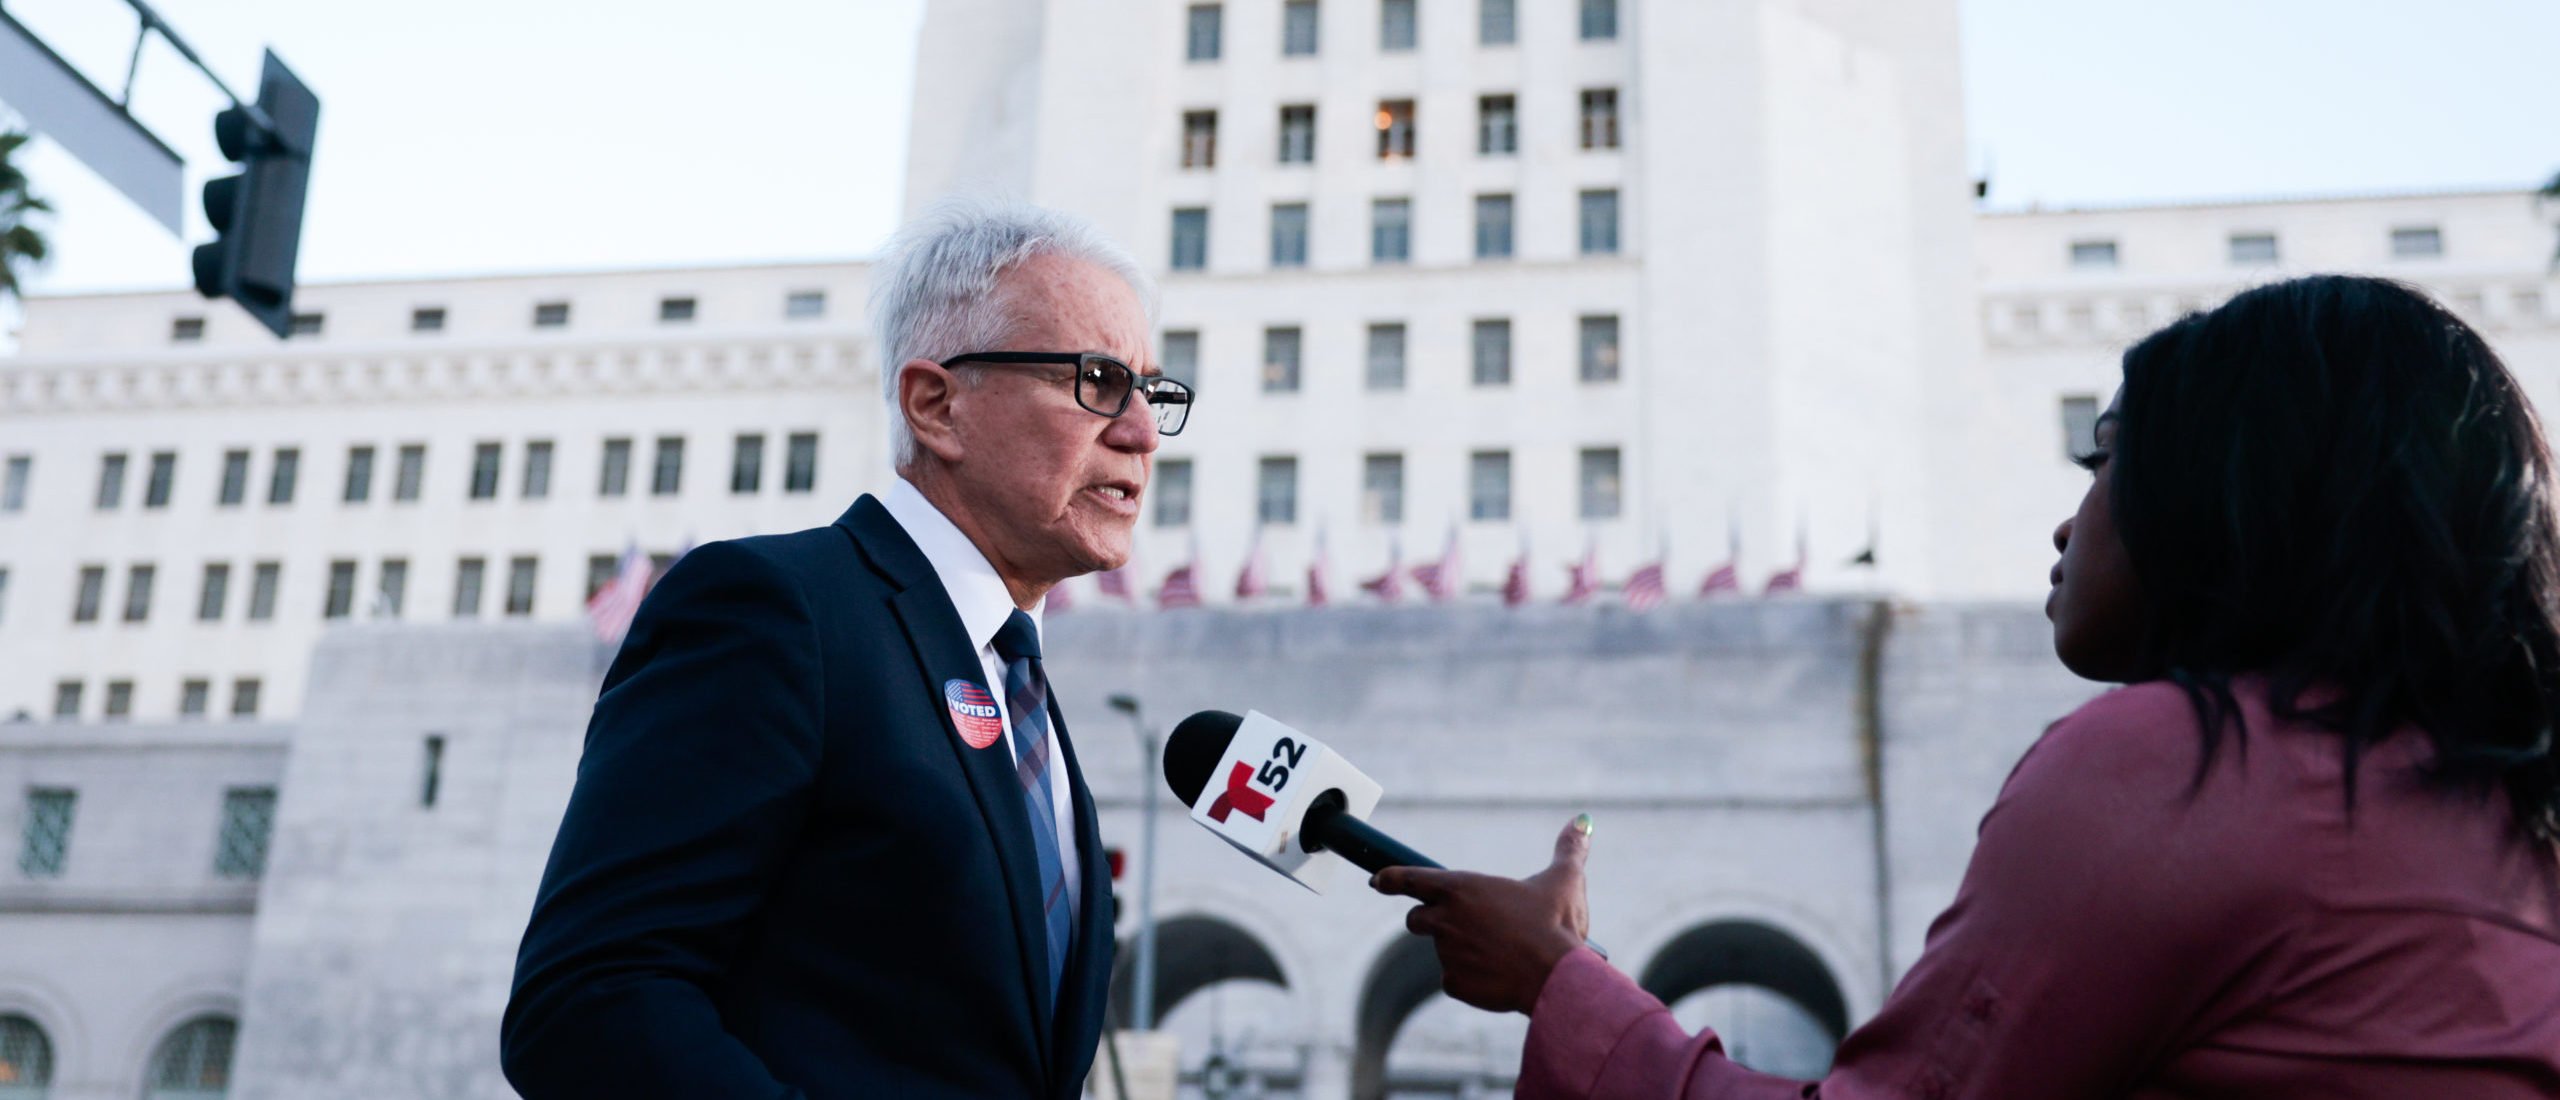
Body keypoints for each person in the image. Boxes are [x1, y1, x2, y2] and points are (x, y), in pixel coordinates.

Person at [1377, 275, 2560, 1098]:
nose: (2067, 514)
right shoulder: (2490, 801)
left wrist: (1555, 984)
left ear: (2231, 497)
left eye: (2102, 459)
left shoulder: (2177, 765)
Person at [501, 197, 1193, 1099]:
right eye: (1098, 381)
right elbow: (591, 998)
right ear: (935, 404)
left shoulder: (1021, 689)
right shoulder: (776, 611)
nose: (1141, 432)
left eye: (1153, 391)